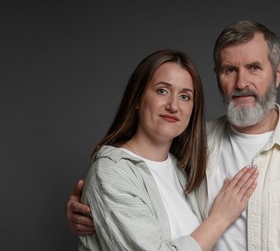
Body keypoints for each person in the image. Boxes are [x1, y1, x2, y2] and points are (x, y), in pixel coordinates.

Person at [67, 20, 280, 250]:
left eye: (254, 68)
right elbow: (134, 187)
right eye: (229, 70)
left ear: (278, 73)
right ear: (217, 76)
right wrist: (95, 212)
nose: (241, 82)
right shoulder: (192, 144)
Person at [75, 49, 259, 251]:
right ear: (137, 98)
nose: (173, 106)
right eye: (162, 91)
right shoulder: (111, 172)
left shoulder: (181, 170)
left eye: (185, 96)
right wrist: (220, 218)